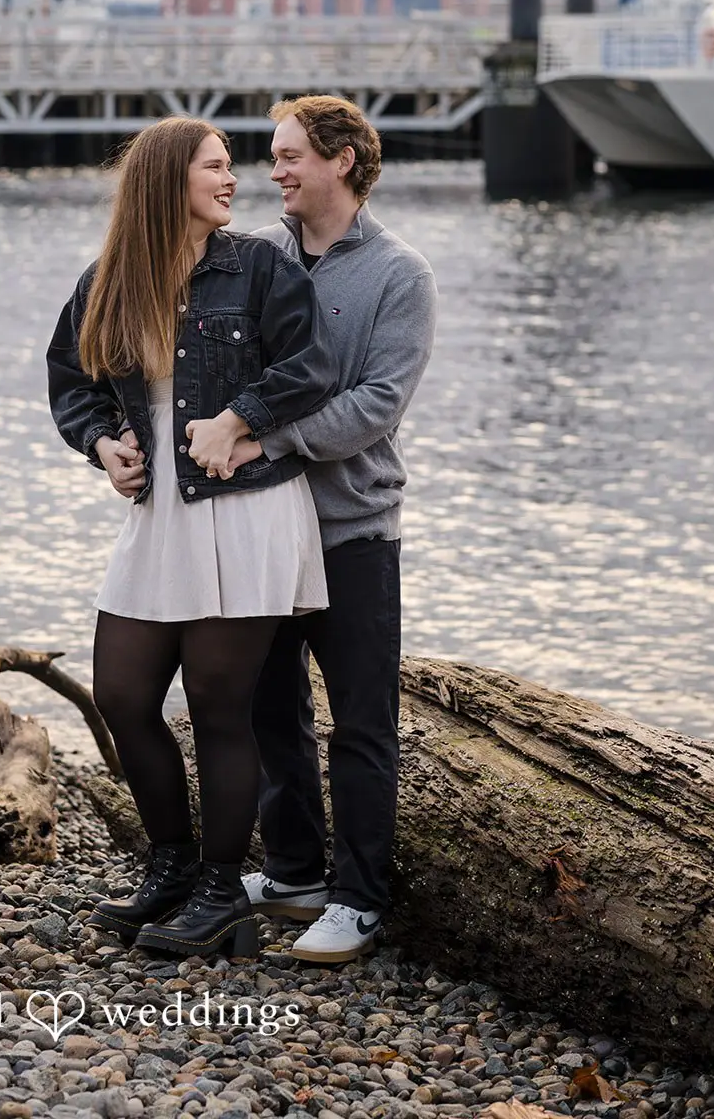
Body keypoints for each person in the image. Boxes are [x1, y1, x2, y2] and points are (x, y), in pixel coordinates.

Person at [45, 116, 337, 961]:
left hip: (247, 510)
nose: (232, 178)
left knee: (215, 704)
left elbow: (312, 367)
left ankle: (221, 891)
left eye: (230, 165)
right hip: (158, 513)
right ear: (166, 179)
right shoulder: (108, 279)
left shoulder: (258, 267)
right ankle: (170, 867)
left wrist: (239, 416)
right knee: (123, 696)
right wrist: (101, 442)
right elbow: (71, 377)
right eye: (214, 166)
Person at [236, 95, 438, 964]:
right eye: (273, 155)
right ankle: (292, 874)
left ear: (342, 159)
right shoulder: (253, 255)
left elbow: (376, 405)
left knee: (361, 724)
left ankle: (358, 900)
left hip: (353, 530)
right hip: (260, 525)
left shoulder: (400, 274)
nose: (273, 170)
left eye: (289, 155)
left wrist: (266, 438)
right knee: (268, 711)